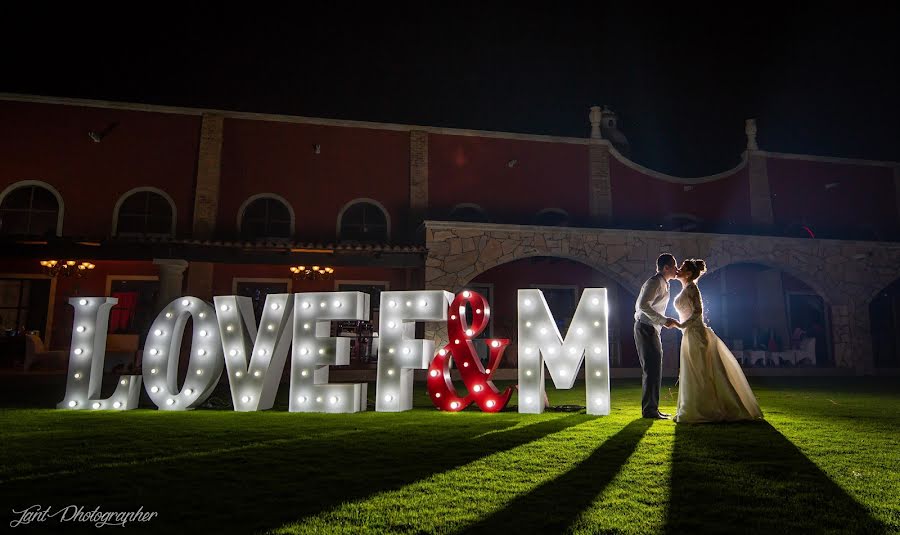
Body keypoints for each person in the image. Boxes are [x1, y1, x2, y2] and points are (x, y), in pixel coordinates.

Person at [673, 259, 763, 423]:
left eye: (682, 268)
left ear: (688, 274)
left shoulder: (692, 288)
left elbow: (697, 313)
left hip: (696, 334)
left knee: (700, 372)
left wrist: (680, 324)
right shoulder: (686, 288)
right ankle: (693, 407)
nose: (678, 269)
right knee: (692, 371)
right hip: (689, 333)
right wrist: (682, 326)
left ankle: (706, 409)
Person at [634, 253, 680, 419]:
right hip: (646, 328)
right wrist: (664, 320)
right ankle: (650, 410)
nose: (677, 269)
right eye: (674, 266)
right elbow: (642, 305)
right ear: (666, 267)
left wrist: (661, 322)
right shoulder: (654, 282)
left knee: (654, 369)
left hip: (652, 328)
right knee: (651, 369)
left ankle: (652, 408)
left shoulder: (664, 283)